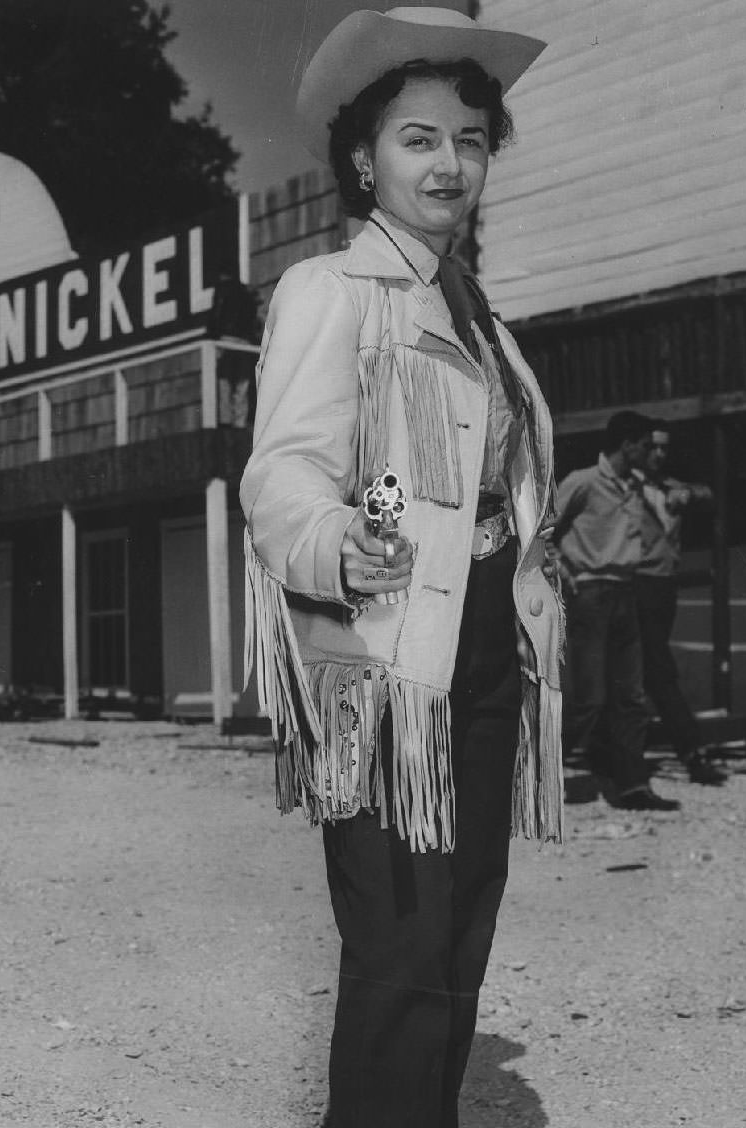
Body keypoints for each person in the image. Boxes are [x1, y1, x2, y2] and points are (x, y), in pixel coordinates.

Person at [239, 9, 562, 1127]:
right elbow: (284, 477)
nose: (449, 162)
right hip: (379, 664)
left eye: (469, 139)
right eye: (418, 139)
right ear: (364, 161)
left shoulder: (483, 326)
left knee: (460, 922)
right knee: (399, 938)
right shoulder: (330, 293)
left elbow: (458, 480)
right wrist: (340, 542)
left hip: (480, 653)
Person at [551, 411, 680, 812]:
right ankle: (534, 775)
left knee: (631, 697)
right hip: (590, 595)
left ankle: (632, 787)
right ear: (628, 446)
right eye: (646, 445)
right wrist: (563, 573)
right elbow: (541, 528)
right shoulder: (584, 482)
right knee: (588, 699)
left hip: (628, 593)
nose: (651, 452)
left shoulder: (636, 487)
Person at [635, 422, 727, 784]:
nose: (659, 454)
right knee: (654, 671)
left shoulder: (671, 487)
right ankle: (690, 751)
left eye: (664, 448)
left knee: (650, 669)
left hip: (662, 589)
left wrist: (688, 493)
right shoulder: (622, 488)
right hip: (631, 586)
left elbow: (708, 496)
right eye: (652, 447)